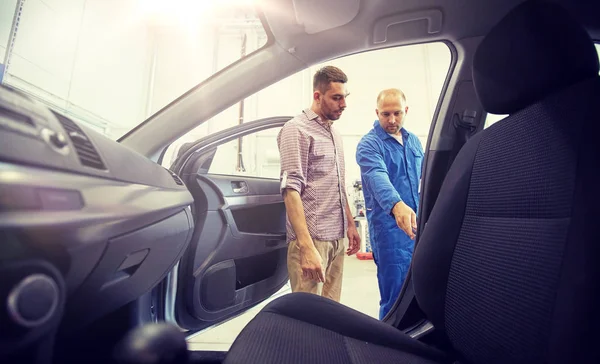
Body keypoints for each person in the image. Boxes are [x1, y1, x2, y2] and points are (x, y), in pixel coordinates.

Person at [277, 66, 361, 302]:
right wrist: (306, 247)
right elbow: (290, 190)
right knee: (307, 316)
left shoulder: (334, 133)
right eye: (336, 98)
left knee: (331, 311)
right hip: (312, 239)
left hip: (336, 237)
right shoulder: (296, 130)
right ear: (317, 96)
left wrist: (350, 225)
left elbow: (337, 185)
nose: (343, 104)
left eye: (345, 97)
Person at [355, 88, 424, 319]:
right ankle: (390, 343)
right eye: (385, 114)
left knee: (421, 289)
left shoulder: (413, 141)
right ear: (377, 113)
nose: (392, 120)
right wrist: (397, 206)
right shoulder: (369, 145)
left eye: (397, 113)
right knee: (394, 295)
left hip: (418, 226)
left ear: (406, 111)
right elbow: (377, 176)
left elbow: (426, 177)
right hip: (389, 231)